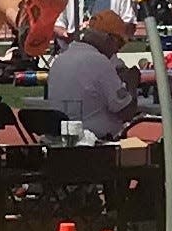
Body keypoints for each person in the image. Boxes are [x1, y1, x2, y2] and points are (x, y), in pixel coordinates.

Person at [46, 10, 138, 139]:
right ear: (109, 38)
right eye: (119, 43)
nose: (117, 49)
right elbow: (126, 112)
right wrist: (132, 83)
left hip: (61, 136)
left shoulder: (62, 58)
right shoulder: (100, 62)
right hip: (93, 143)